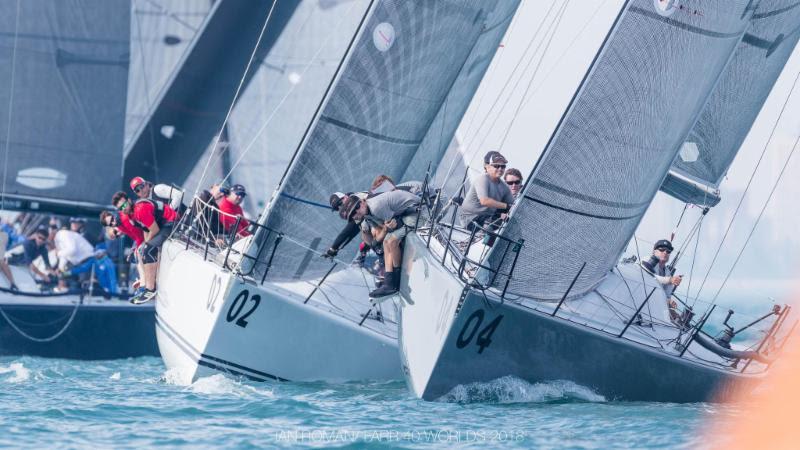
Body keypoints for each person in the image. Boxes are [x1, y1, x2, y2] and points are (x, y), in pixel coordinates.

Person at [341, 189, 420, 298]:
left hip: (419, 212)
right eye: (353, 214)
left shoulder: (376, 207)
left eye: (357, 207)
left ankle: (396, 281)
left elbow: (393, 225)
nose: (357, 212)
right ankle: (389, 282)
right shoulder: (367, 213)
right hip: (407, 214)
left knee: (392, 241)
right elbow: (375, 239)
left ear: (363, 201)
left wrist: (384, 231)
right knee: (386, 241)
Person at [127, 187, 179, 304]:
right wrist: (142, 247)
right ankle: (145, 284)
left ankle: (151, 289)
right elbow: (146, 229)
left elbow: (154, 229)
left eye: (141, 187)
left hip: (171, 222)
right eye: (137, 190)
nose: (140, 190)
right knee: (140, 250)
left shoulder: (154, 193)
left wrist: (146, 245)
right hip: (163, 225)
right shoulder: (132, 216)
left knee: (147, 249)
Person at [460, 151, 514, 232]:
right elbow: (484, 201)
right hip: (470, 220)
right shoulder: (482, 179)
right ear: (487, 167)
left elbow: (512, 204)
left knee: (509, 224)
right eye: (496, 166)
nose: (500, 169)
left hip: (488, 217)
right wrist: (507, 206)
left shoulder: (504, 187)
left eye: (503, 167)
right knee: (489, 226)